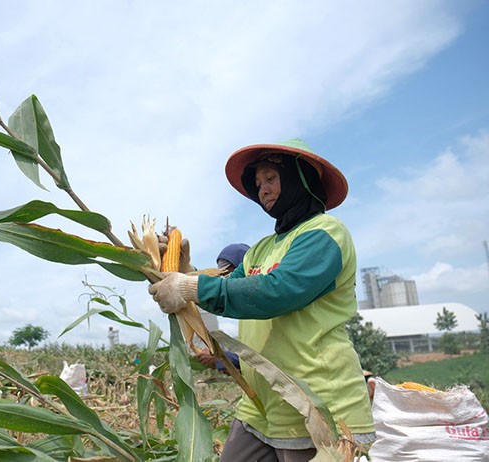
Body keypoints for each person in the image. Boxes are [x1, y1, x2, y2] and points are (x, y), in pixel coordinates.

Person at [148, 139, 375, 461]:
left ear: (300, 178)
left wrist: (189, 287)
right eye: (258, 184)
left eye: (270, 178)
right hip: (260, 404)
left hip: (316, 401)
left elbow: (277, 292)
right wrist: (183, 271)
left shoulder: (324, 233)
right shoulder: (260, 249)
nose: (263, 190)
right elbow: (230, 289)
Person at [196, 243, 250, 373]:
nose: (227, 280)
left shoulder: (264, 307)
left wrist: (220, 360)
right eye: (223, 275)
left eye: (230, 273)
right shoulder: (245, 311)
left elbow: (263, 358)